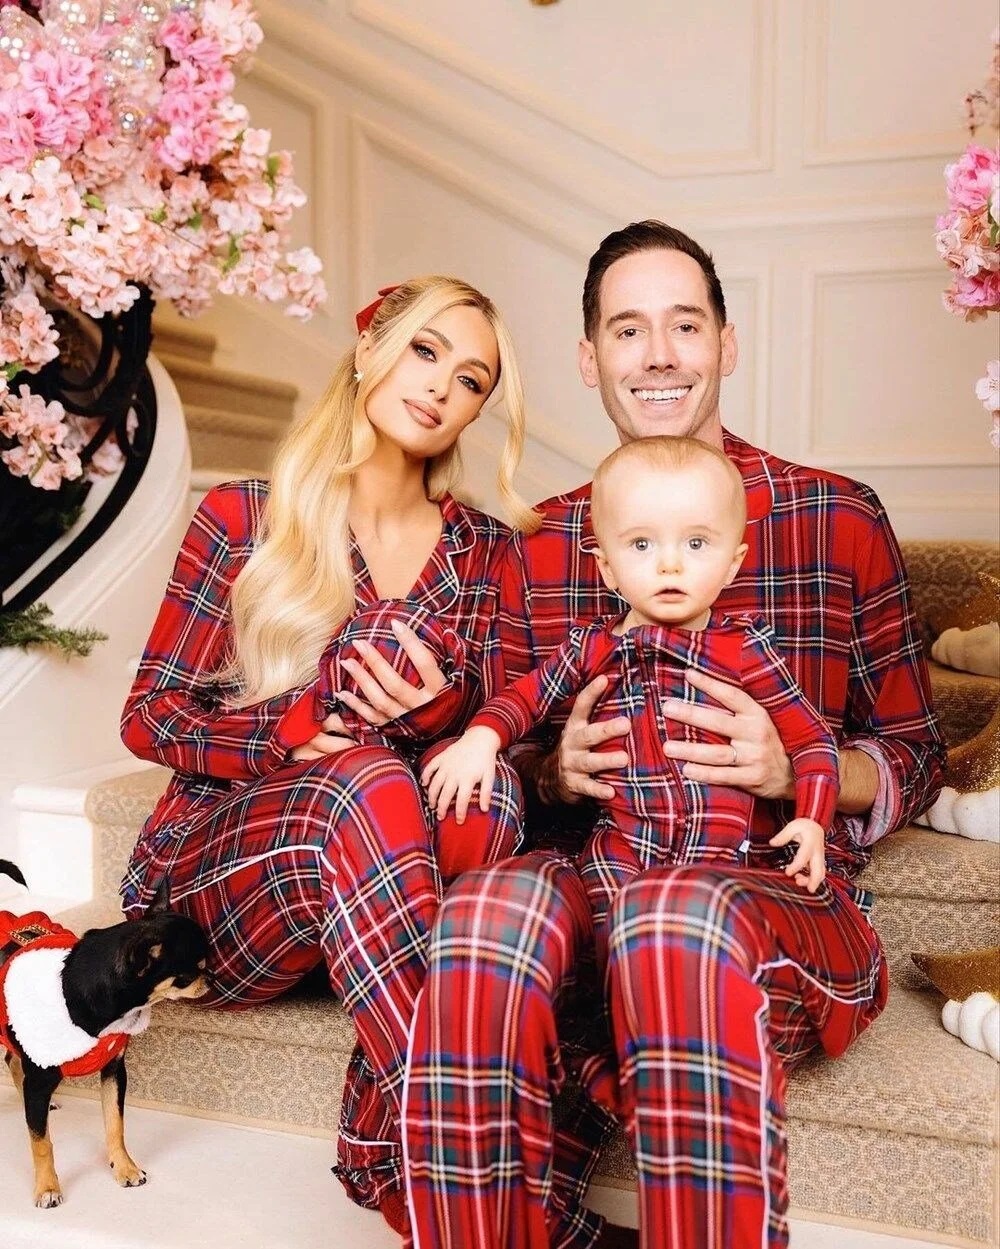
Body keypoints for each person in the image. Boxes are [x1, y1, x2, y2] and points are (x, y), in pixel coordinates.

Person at [401, 223, 944, 1249]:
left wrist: (800, 772)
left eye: (684, 326)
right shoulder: (544, 542)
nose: (657, 355)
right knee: (484, 912)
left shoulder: (837, 519)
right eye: (627, 330)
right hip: (601, 879)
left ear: (726, 343)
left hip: (769, 899)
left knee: (674, 917)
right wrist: (552, 772)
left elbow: (915, 752)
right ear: (589, 357)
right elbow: (502, 748)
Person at [117, 276, 539, 1234]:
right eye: (425, 351)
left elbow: (509, 734)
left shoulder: (483, 553)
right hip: (227, 886)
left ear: (478, 411)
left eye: (471, 379)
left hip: (385, 909)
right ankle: (475, 1174)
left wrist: (444, 711)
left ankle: (399, 1149)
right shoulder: (245, 515)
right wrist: (289, 728)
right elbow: (150, 718)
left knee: (491, 797)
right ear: (370, 347)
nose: (440, 387)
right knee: (360, 778)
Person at [422, 435, 838, 969]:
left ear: (733, 564)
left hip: (719, 860)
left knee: (705, 939)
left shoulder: (746, 650)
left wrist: (813, 818)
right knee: (598, 938)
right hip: (620, 850)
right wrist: (480, 739)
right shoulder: (593, 647)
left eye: (696, 543)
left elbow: (812, 741)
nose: (670, 565)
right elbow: (523, 698)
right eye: (642, 545)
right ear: (608, 569)